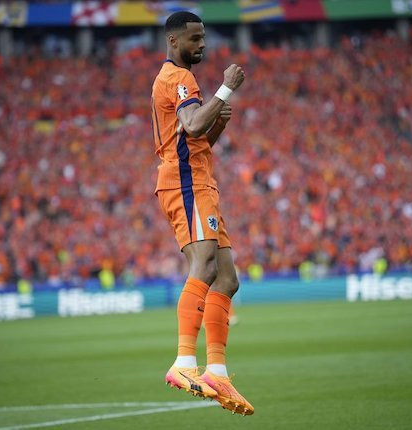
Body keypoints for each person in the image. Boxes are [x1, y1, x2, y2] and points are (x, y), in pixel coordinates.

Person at [151, 11, 254, 415]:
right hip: (185, 182)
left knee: (227, 279)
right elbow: (192, 125)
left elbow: (196, 136)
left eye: (204, 37)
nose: (203, 45)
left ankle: (217, 371)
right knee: (206, 264)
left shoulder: (181, 80)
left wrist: (218, 125)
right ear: (174, 42)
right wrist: (226, 91)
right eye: (195, 38)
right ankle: (183, 363)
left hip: (200, 179)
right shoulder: (178, 78)